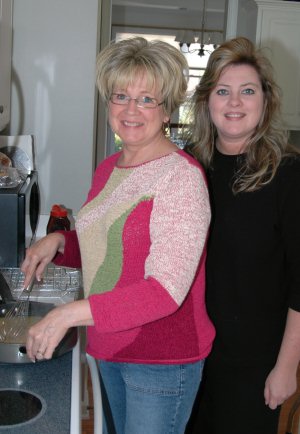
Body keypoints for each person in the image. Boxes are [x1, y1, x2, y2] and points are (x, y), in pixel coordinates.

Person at [21, 37, 215, 434]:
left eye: (147, 99)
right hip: (111, 343)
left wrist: (70, 313)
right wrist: (59, 242)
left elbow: (164, 290)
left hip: (161, 361)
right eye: (121, 95)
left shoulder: (181, 179)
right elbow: (103, 247)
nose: (130, 109)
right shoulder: (109, 168)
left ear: (167, 111)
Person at [184, 36, 300, 434]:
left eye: (247, 91)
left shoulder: (287, 174)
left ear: (264, 101)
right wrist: (64, 240)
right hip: (189, 353)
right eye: (223, 91)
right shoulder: (188, 164)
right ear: (207, 101)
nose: (235, 102)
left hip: (254, 361)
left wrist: (286, 367)